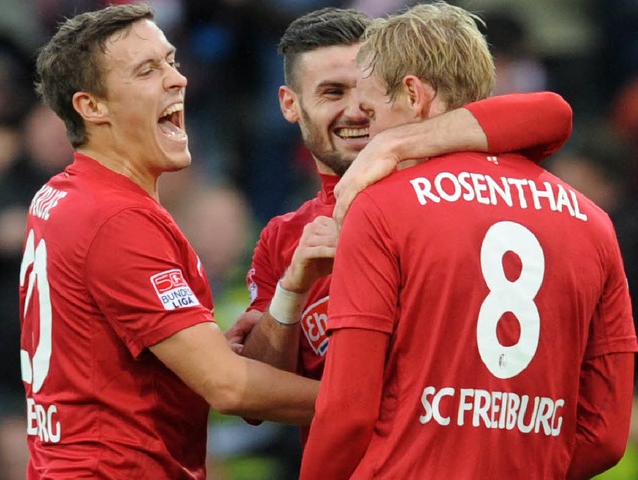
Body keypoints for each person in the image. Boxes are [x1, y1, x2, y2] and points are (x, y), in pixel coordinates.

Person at [299, 3, 638, 479]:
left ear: (414, 95)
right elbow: (604, 435)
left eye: (372, 111)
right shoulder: (593, 220)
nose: (366, 132)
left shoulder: (380, 209)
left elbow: (348, 411)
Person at [237, 5, 572, 449]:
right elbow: (257, 399)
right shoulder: (286, 237)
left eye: (366, 92)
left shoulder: (452, 194)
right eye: (332, 92)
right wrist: (291, 291)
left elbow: (551, 112)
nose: (356, 111)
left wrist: (396, 144)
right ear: (289, 104)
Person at [20, 4, 320, 479]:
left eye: (171, 60)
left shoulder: (61, 194)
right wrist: (385, 403)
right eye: (147, 70)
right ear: (91, 106)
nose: (177, 79)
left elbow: (109, 351)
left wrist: (203, 345)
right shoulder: (117, 217)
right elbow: (229, 389)